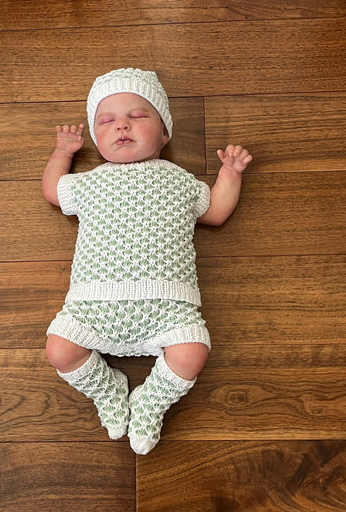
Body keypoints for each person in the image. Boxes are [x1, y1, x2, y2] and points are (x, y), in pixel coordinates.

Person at [42, 68, 252, 454]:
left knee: (192, 353)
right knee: (59, 349)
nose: (122, 125)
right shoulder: (89, 182)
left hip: (169, 306)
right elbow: (54, 191)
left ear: (165, 132)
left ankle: (150, 401)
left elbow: (216, 212)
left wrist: (231, 173)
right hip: (93, 304)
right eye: (106, 121)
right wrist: (62, 153)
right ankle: (107, 388)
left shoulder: (180, 181)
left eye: (138, 116)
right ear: (97, 139)